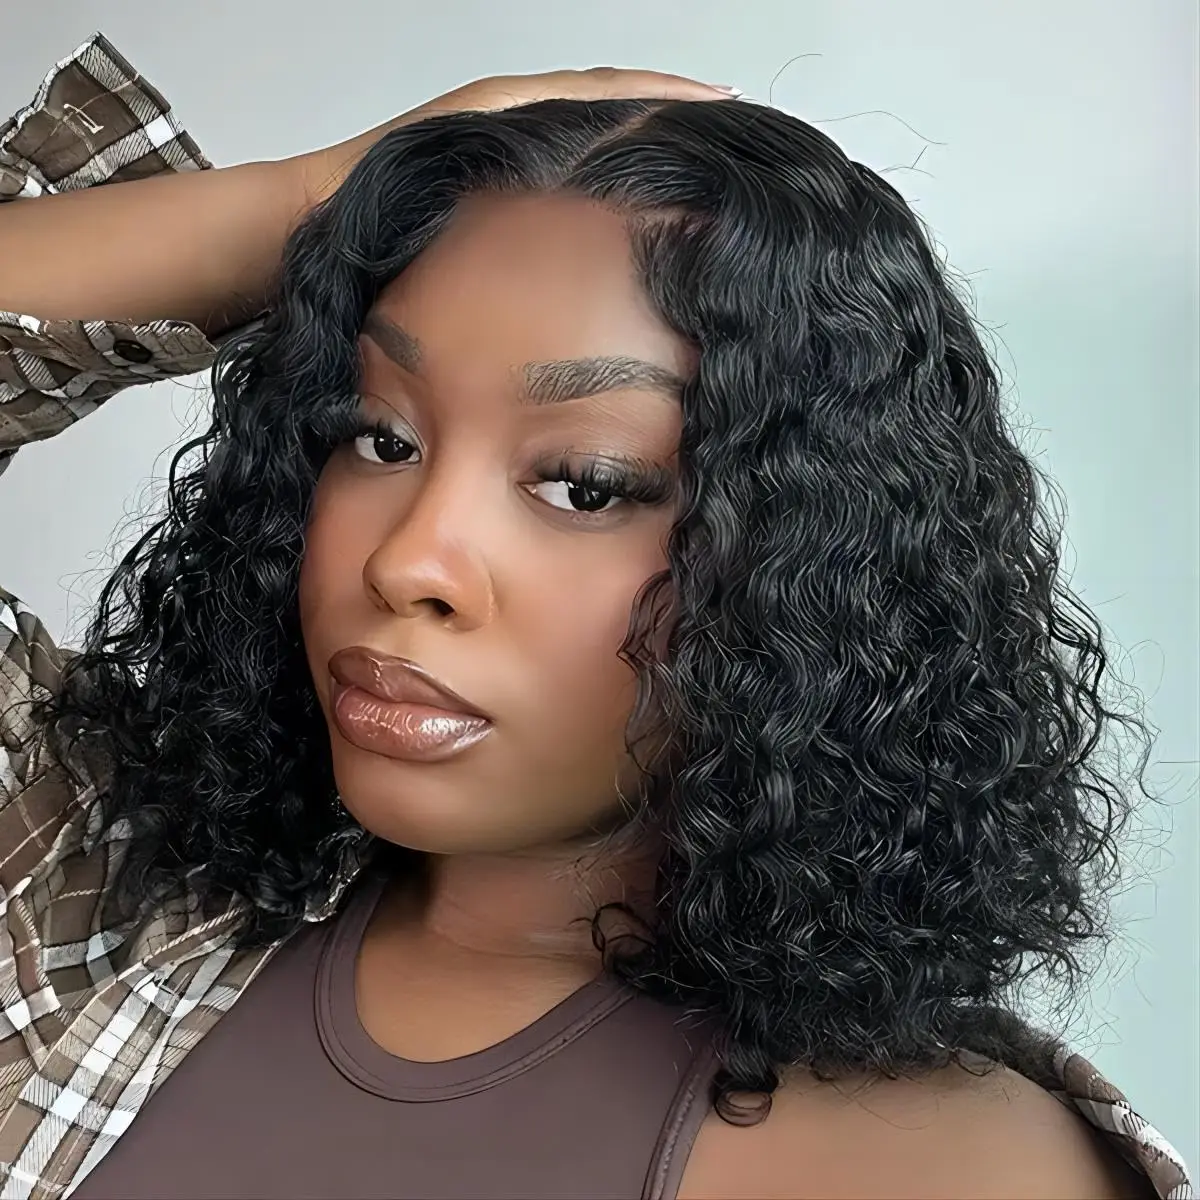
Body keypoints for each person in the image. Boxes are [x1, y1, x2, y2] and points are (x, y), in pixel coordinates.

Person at [0, 33, 1191, 1200]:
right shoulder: (81, 894)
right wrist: (307, 206)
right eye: (381, 436)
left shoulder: (950, 1169)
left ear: (818, 562)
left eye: (585, 485)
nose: (410, 561)